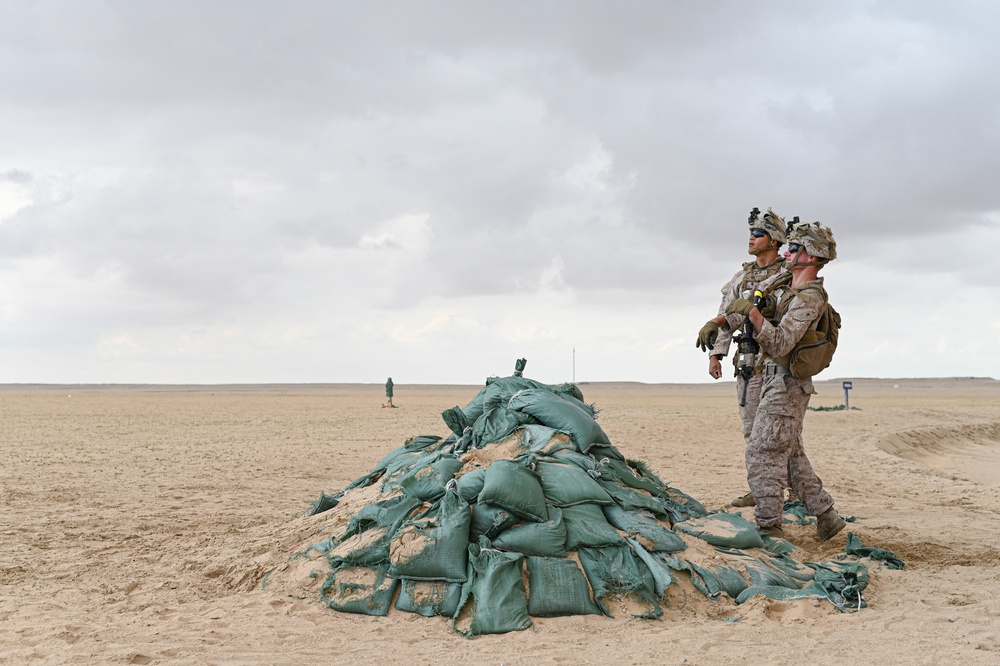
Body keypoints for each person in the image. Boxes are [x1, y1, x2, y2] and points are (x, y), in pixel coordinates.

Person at [725, 221, 847, 541]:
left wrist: (752, 314)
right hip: (772, 381)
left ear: (812, 256)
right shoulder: (788, 287)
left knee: (763, 451)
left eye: (794, 249)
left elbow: (780, 343)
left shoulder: (810, 298)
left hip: (788, 386)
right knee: (790, 455)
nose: (787, 253)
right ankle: (826, 515)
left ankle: (770, 527)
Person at [695, 207, 788, 508]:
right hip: (748, 364)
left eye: (758, 233)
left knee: (779, 431)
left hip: (780, 363)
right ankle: (760, 488)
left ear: (774, 240)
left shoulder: (787, 275)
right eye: (750, 232)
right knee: (751, 431)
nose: (751, 238)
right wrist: (716, 355)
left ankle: (792, 491)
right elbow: (728, 316)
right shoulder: (740, 278)